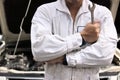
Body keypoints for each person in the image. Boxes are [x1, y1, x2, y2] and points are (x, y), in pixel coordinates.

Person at [31, 0, 118, 80]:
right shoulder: (45, 11)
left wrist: (65, 59)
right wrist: (81, 38)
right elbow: (39, 50)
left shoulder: (102, 13)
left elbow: (105, 55)